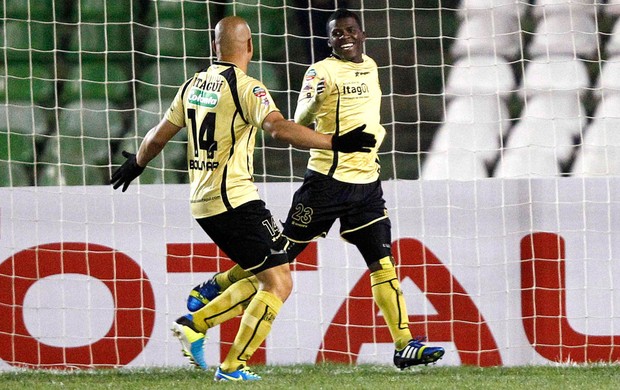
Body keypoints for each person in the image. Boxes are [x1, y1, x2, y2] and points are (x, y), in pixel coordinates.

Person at [110, 15, 375, 381]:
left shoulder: (192, 85)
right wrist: (336, 142)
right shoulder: (248, 88)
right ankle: (231, 364)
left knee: (274, 263)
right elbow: (280, 129)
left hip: (203, 202)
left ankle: (199, 315)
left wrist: (136, 164)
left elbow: (158, 135)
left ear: (214, 45)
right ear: (249, 46)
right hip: (235, 200)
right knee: (279, 283)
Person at [185, 9, 445, 370]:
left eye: (350, 31)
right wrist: (316, 106)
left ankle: (405, 344)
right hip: (325, 184)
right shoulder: (319, 72)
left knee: (382, 263)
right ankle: (204, 310)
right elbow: (298, 120)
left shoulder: (370, 66)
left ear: (363, 34)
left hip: (367, 183)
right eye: (337, 34)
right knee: (278, 262)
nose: (345, 37)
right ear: (329, 41)